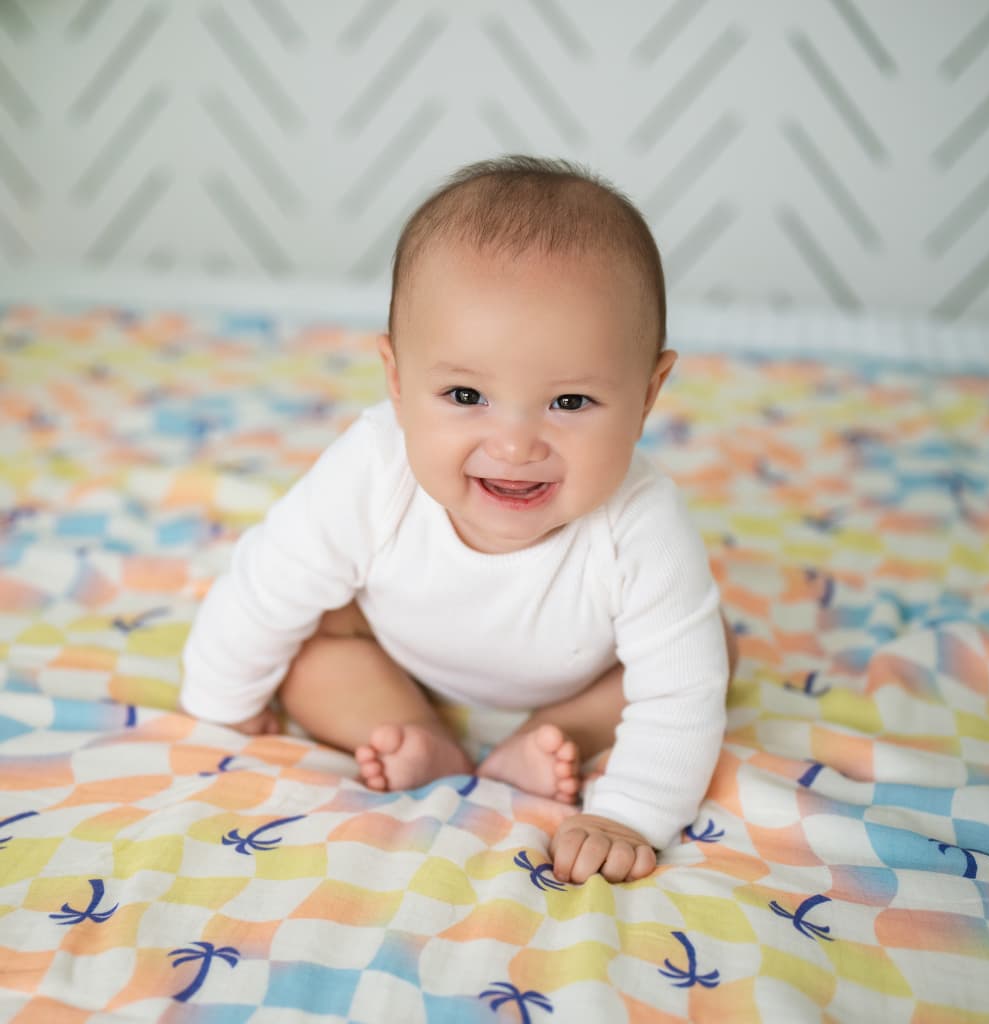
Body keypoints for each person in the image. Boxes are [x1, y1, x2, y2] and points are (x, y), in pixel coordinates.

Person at [181, 155, 736, 884]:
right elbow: (267, 583)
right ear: (398, 380)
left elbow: (676, 694)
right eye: (466, 394)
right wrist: (221, 703)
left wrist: (628, 813)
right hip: (400, 656)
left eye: (570, 403)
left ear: (648, 393)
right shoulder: (371, 469)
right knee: (309, 650)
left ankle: (555, 733)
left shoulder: (641, 522)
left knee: (708, 653)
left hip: (577, 676)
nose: (514, 446)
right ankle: (412, 733)